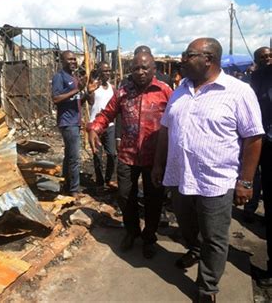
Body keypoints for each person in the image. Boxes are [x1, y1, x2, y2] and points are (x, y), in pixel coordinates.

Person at [151, 38, 264, 302]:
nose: (182, 60)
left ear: (208, 59)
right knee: (188, 226)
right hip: (180, 176)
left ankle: (208, 286)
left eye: (188, 55)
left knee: (214, 236)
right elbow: (166, 129)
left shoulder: (238, 91)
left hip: (216, 181)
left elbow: (253, 138)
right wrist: (158, 164)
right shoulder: (181, 88)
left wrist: (245, 182)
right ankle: (194, 249)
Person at [87, 51, 172, 259]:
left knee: (153, 200)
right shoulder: (123, 92)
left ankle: (149, 237)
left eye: (145, 68)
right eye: (136, 68)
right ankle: (132, 231)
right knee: (125, 196)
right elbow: (107, 113)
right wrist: (94, 128)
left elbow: (178, 119)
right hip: (127, 155)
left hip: (155, 159)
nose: (140, 72)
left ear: (154, 69)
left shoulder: (165, 91)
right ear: (130, 70)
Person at [250, 46, 272, 288]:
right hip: (265, 144)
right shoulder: (257, 78)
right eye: (264, 57)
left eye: (270, 55)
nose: (268, 59)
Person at [51, 50, 87, 197]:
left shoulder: (74, 77)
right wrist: (76, 90)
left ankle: (66, 184)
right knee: (75, 157)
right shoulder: (59, 77)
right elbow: (55, 99)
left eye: (74, 59)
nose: (73, 62)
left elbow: (78, 100)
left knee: (69, 155)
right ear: (62, 61)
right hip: (67, 122)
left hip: (75, 121)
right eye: (69, 59)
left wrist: (86, 92)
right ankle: (74, 190)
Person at [86, 62, 118, 191]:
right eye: (104, 71)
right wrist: (90, 91)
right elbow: (90, 102)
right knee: (97, 155)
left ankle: (108, 179)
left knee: (112, 154)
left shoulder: (113, 88)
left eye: (109, 71)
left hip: (109, 125)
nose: (107, 73)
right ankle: (99, 182)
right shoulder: (94, 87)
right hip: (95, 126)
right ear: (99, 72)